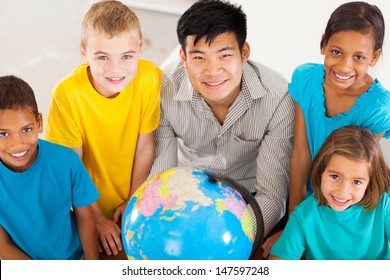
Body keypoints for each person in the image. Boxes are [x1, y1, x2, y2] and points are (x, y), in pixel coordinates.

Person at [149, 0, 295, 256]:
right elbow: (161, 179)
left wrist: (224, 242)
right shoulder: (163, 90)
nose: (212, 71)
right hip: (188, 194)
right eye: (198, 57)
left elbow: (272, 195)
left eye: (225, 55)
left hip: (250, 198)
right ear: (183, 57)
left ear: (245, 52)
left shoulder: (278, 96)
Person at [262, 1, 390, 258]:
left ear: (374, 57)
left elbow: (355, 169)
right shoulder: (307, 79)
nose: (344, 67)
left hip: (344, 203)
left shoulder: (377, 106)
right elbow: (300, 153)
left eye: (359, 58)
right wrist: (291, 224)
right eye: (336, 52)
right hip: (303, 205)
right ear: (323, 45)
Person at [44, 0, 161, 259]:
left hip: (133, 199)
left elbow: (145, 145)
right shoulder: (68, 94)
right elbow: (69, 167)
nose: (115, 68)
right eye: (102, 57)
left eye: (126, 56)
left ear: (141, 49)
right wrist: (95, 218)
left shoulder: (149, 77)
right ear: (84, 53)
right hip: (85, 207)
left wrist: (133, 201)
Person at [0, 75, 100, 260]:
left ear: (39, 122)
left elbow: (85, 216)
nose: (17, 144)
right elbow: (2, 245)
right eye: (3, 134)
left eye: (26, 129)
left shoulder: (66, 161)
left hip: (76, 256)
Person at [270, 126, 390, 260]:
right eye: (335, 177)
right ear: (320, 170)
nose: (343, 191)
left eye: (356, 182)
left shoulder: (383, 205)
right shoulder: (304, 216)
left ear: (370, 182)